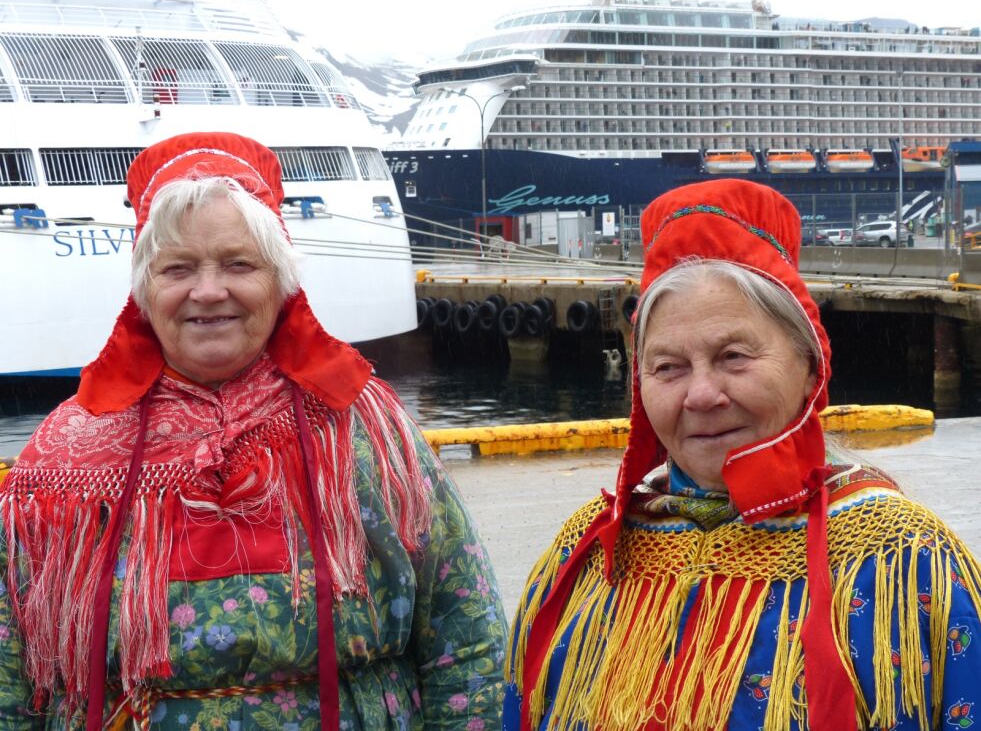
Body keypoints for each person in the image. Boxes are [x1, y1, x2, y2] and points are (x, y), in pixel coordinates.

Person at [0, 132, 506, 730]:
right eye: (178, 267)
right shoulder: (62, 467)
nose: (208, 290)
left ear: (281, 280)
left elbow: (463, 625)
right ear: (144, 287)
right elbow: (13, 669)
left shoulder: (364, 425)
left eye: (239, 264)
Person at [503, 179, 981, 731]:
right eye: (668, 367)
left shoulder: (902, 561)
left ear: (809, 368)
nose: (701, 395)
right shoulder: (583, 560)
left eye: (733, 356)